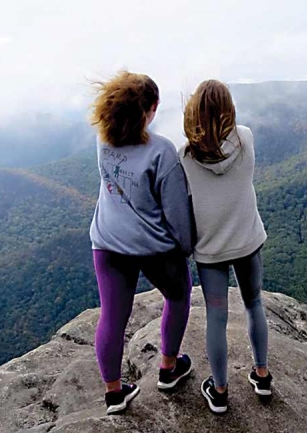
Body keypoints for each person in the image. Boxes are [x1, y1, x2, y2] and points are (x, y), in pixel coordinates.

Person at [89, 71, 194, 415]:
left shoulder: (104, 140)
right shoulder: (161, 151)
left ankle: (114, 393)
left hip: (107, 241)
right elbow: (176, 211)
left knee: (112, 316)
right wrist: (187, 245)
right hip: (154, 247)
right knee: (178, 297)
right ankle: (168, 368)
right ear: (150, 109)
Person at [180, 79, 272, 414]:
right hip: (247, 242)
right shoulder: (245, 139)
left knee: (216, 318)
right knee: (254, 303)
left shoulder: (185, 157)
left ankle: (219, 392)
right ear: (228, 109)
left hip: (211, 252)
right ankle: (261, 376)